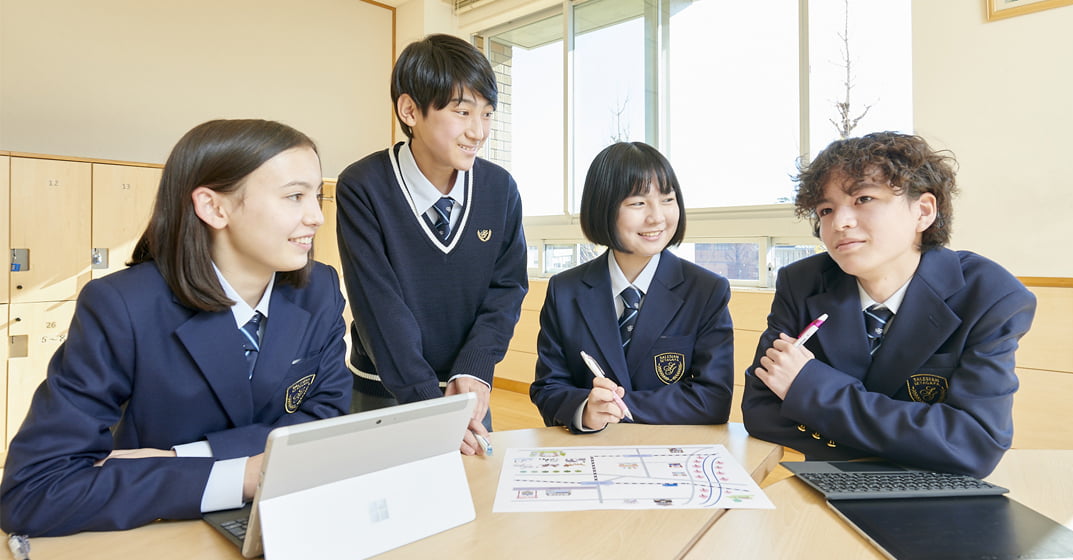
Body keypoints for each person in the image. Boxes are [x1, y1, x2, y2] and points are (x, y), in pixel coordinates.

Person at [0, 119, 352, 536]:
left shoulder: (319, 288)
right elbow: (34, 491)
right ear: (213, 208)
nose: (317, 217)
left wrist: (184, 458)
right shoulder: (123, 305)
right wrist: (243, 476)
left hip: (281, 522)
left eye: (317, 195)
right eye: (294, 196)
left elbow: (326, 421)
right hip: (158, 530)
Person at [742, 131, 1036, 478]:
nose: (839, 223)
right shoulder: (802, 282)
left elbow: (973, 444)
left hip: (936, 495)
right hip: (822, 482)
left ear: (923, 211)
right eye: (826, 210)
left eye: (863, 198)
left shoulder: (989, 294)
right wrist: (916, 438)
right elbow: (761, 412)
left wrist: (809, 388)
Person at [336, 33, 527, 455]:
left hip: (467, 394)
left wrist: (476, 368)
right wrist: (426, 405)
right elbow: (378, 305)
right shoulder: (363, 186)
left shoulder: (500, 189)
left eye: (487, 114)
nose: (478, 131)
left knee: (474, 493)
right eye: (462, 112)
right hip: (385, 392)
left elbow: (507, 289)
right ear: (410, 110)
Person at [531, 142, 735, 432]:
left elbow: (713, 399)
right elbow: (548, 387)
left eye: (667, 199)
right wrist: (585, 410)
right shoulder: (564, 291)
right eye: (638, 203)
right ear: (602, 208)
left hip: (673, 451)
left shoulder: (706, 290)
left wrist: (616, 408)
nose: (657, 217)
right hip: (591, 449)